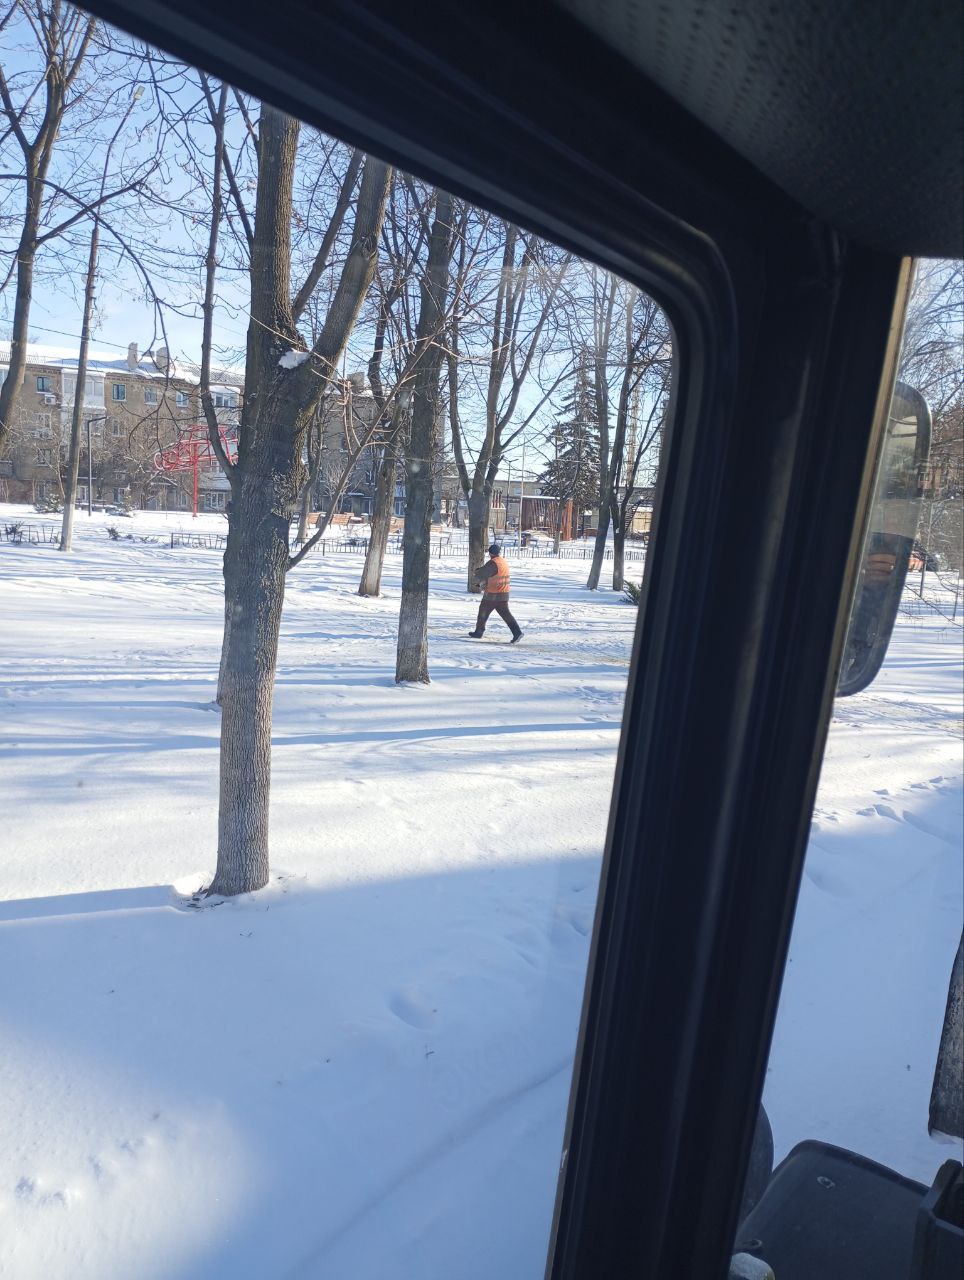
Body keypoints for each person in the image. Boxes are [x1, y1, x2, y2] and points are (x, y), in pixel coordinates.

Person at [469, 543, 523, 642]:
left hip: (493, 594)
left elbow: (481, 574)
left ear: (490, 553)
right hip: (504, 592)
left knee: (483, 611)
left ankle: (478, 632)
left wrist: (477, 572)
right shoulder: (503, 561)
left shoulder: (493, 563)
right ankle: (517, 633)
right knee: (506, 614)